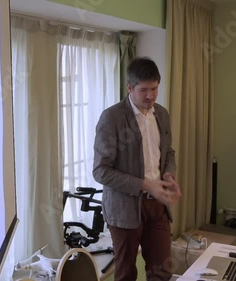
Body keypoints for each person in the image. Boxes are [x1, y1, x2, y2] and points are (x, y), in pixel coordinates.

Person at [93, 57, 181, 281]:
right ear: (129, 87)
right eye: (144, 90)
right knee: (126, 275)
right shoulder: (111, 118)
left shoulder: (161, 113)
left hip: (157, 207)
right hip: (124, 209)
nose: (150, 96)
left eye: (154, 88)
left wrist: (169, 175)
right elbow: (101, 171)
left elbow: (168, 153)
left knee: (161, 272)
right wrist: (145, 184)